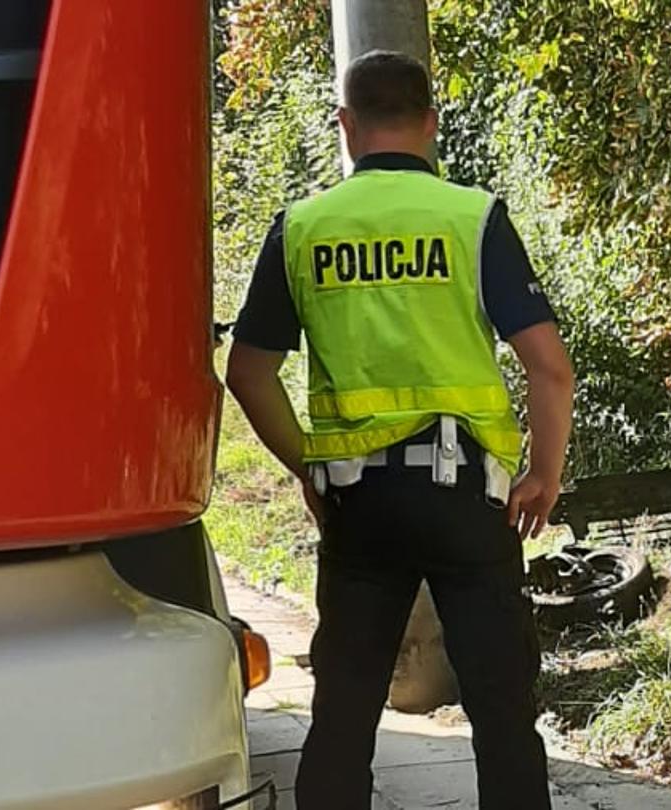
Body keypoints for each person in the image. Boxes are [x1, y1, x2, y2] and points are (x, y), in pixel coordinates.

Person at [224, 50, 572, 809]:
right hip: (467, 504)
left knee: (343, 715)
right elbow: (550, 368)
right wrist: (543, 472)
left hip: (360, 507)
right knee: (502, 713)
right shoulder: (471, 218)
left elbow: (248, 373)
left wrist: (308, 465)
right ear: (431, 125)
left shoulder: (304, 228)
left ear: (345, 126)